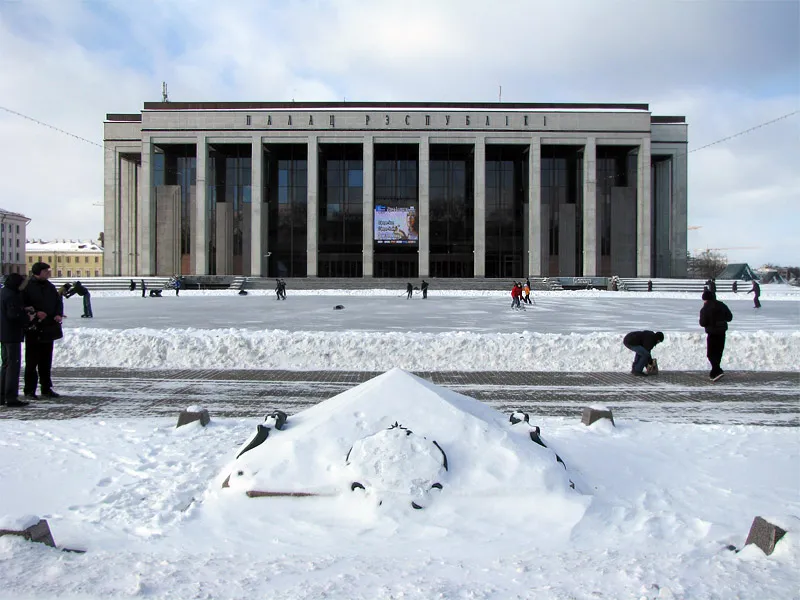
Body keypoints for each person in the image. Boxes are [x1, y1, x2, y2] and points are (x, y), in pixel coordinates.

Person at [21, 262, 64, 399]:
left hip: (48, 328)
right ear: (38, 272)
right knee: (32, 361)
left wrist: (58, 313)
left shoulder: (49, 286)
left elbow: (58, 301)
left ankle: (46, 388)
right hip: (34, 328)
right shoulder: (27, 286)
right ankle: (29, 390)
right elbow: (22, 304)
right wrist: (35, 312)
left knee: (46, 360)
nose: (48, 273)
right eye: (46, 271)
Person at [1, 273, 35, 407]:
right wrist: (28, 318)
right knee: (13, 366)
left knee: (5, 365)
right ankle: (11, 397)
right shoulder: (11, 295)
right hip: (11, 334)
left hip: (3, 333)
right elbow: (12, 315)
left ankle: (2, 395)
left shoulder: (4, 292)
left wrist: (22, 308)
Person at [699, 290, 733, 382]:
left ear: (706, 299)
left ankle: (716, 371)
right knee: (718, 353)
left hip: (712, 333)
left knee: (710, 354)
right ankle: (715, 372)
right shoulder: (722, 305)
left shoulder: (705, 309)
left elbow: (702, 323)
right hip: (722, 332)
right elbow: (729, 317)